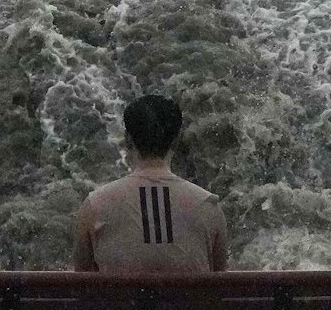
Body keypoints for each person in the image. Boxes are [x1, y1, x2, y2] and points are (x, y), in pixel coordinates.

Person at [74, 95, 228, 273]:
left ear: (128, 140)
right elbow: (218, 286)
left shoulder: (94, 207)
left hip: (120, 302)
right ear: (176, 141)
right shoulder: (208, 207)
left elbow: (83, 288)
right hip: (184, 302)